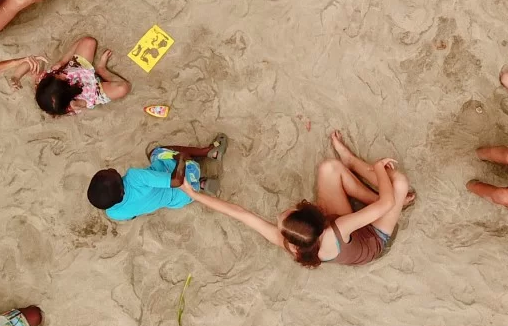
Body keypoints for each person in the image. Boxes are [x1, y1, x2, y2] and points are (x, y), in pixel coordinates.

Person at [184, 131, 412, 267]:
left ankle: (362, 182)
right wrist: (378, 168)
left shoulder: (293, 243)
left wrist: (195, 194)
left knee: (329, 169)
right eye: (288, 213)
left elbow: (240, 214)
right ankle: (356, 165)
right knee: (399, 184)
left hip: (346, 230)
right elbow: (387, 204)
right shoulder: (335, 229)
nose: (280, 215)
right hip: (372, 238)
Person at [88, 135, 229, 220]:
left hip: (182, 199)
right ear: (121, 190)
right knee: (156, 152)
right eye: (113, 173)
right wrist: (180, 158)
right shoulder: (134, 178)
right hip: (185, 178)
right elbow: (176, 181)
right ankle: (209, 152)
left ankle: (202, 184)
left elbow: (132, 215)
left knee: (172, 189)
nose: (111, 169)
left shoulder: (113, 213)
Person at [24, 36, 132, 116]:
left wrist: (62, 62)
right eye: (61, 77)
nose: (60, 73)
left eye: (57, 75)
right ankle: (102, 70)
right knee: (123, 88)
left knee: (88, 41)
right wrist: (78, 104)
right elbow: (83, 103)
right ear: (68, 91)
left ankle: (94, 71)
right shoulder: (72, 103)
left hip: (79, 70)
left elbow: (28, 68)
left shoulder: (45, 81)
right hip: (93, 90)